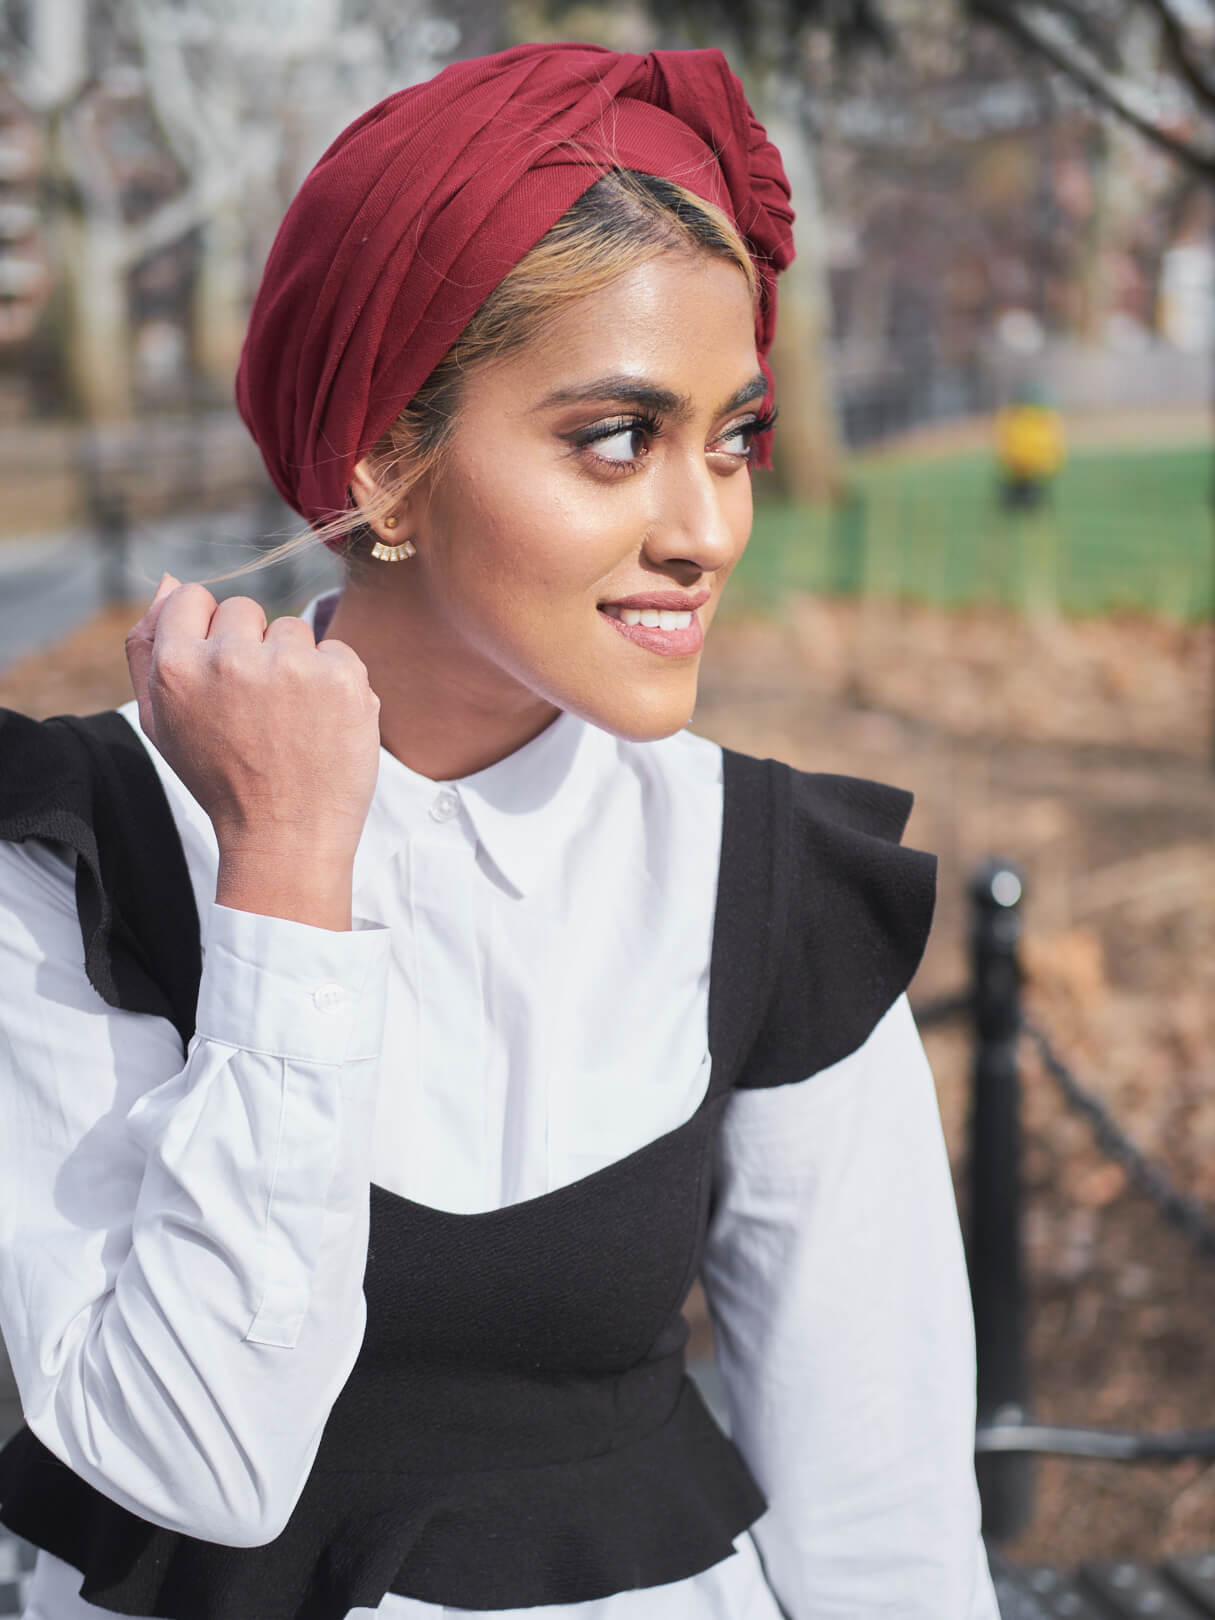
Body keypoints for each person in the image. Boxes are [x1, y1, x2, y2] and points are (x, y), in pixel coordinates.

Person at [0, 42, 999, 1620]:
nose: (706, 528)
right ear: (385, 460)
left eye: (732, 436)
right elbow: (198, 1458)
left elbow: (885, 1525)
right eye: (616, 437)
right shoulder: (77, 854)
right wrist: (286, 877)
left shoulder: (773, 877)